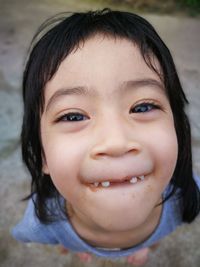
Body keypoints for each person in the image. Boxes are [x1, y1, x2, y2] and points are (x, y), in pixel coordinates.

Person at [11, 9, 200, 266]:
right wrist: (69, 241)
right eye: (73, 116)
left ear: (177, 129)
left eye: (143, 107)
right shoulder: (40, 223)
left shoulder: (187, 198)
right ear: (42, 153)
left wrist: (149, 242)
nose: (116, 142)